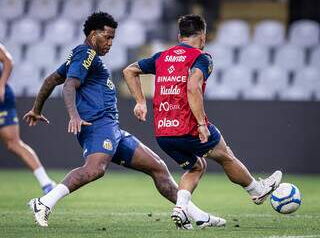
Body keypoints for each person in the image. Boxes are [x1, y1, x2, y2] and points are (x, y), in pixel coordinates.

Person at [25, 12, 226, 229]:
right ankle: (44, 202)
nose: (110, 43)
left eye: (113, 38)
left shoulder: (82, 56)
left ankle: (196, 215)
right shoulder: (86, 54)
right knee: (95, 169)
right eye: (107, 37)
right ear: (93, 35)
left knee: (157, 168)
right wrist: (74, 115)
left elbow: (51, 79)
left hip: (112, 130)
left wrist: (36, 109)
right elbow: (68, 85)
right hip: (98, 125)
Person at [123, 14, 283, 229]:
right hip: (188, 127)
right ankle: (257, 190)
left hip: (163, 133)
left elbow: (129, 70)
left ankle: (180, 207)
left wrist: (140, 102)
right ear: (203, 36)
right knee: (226, 155)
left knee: (196, 167)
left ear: (180, 36)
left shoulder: (162, 57)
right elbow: (193, 87)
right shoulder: (202, 57)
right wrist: (200, 124)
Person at [0, 43, 55, 194]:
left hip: (2, 100)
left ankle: (46, 183)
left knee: (13, 143)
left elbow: (8, 60)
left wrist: (1, 85)